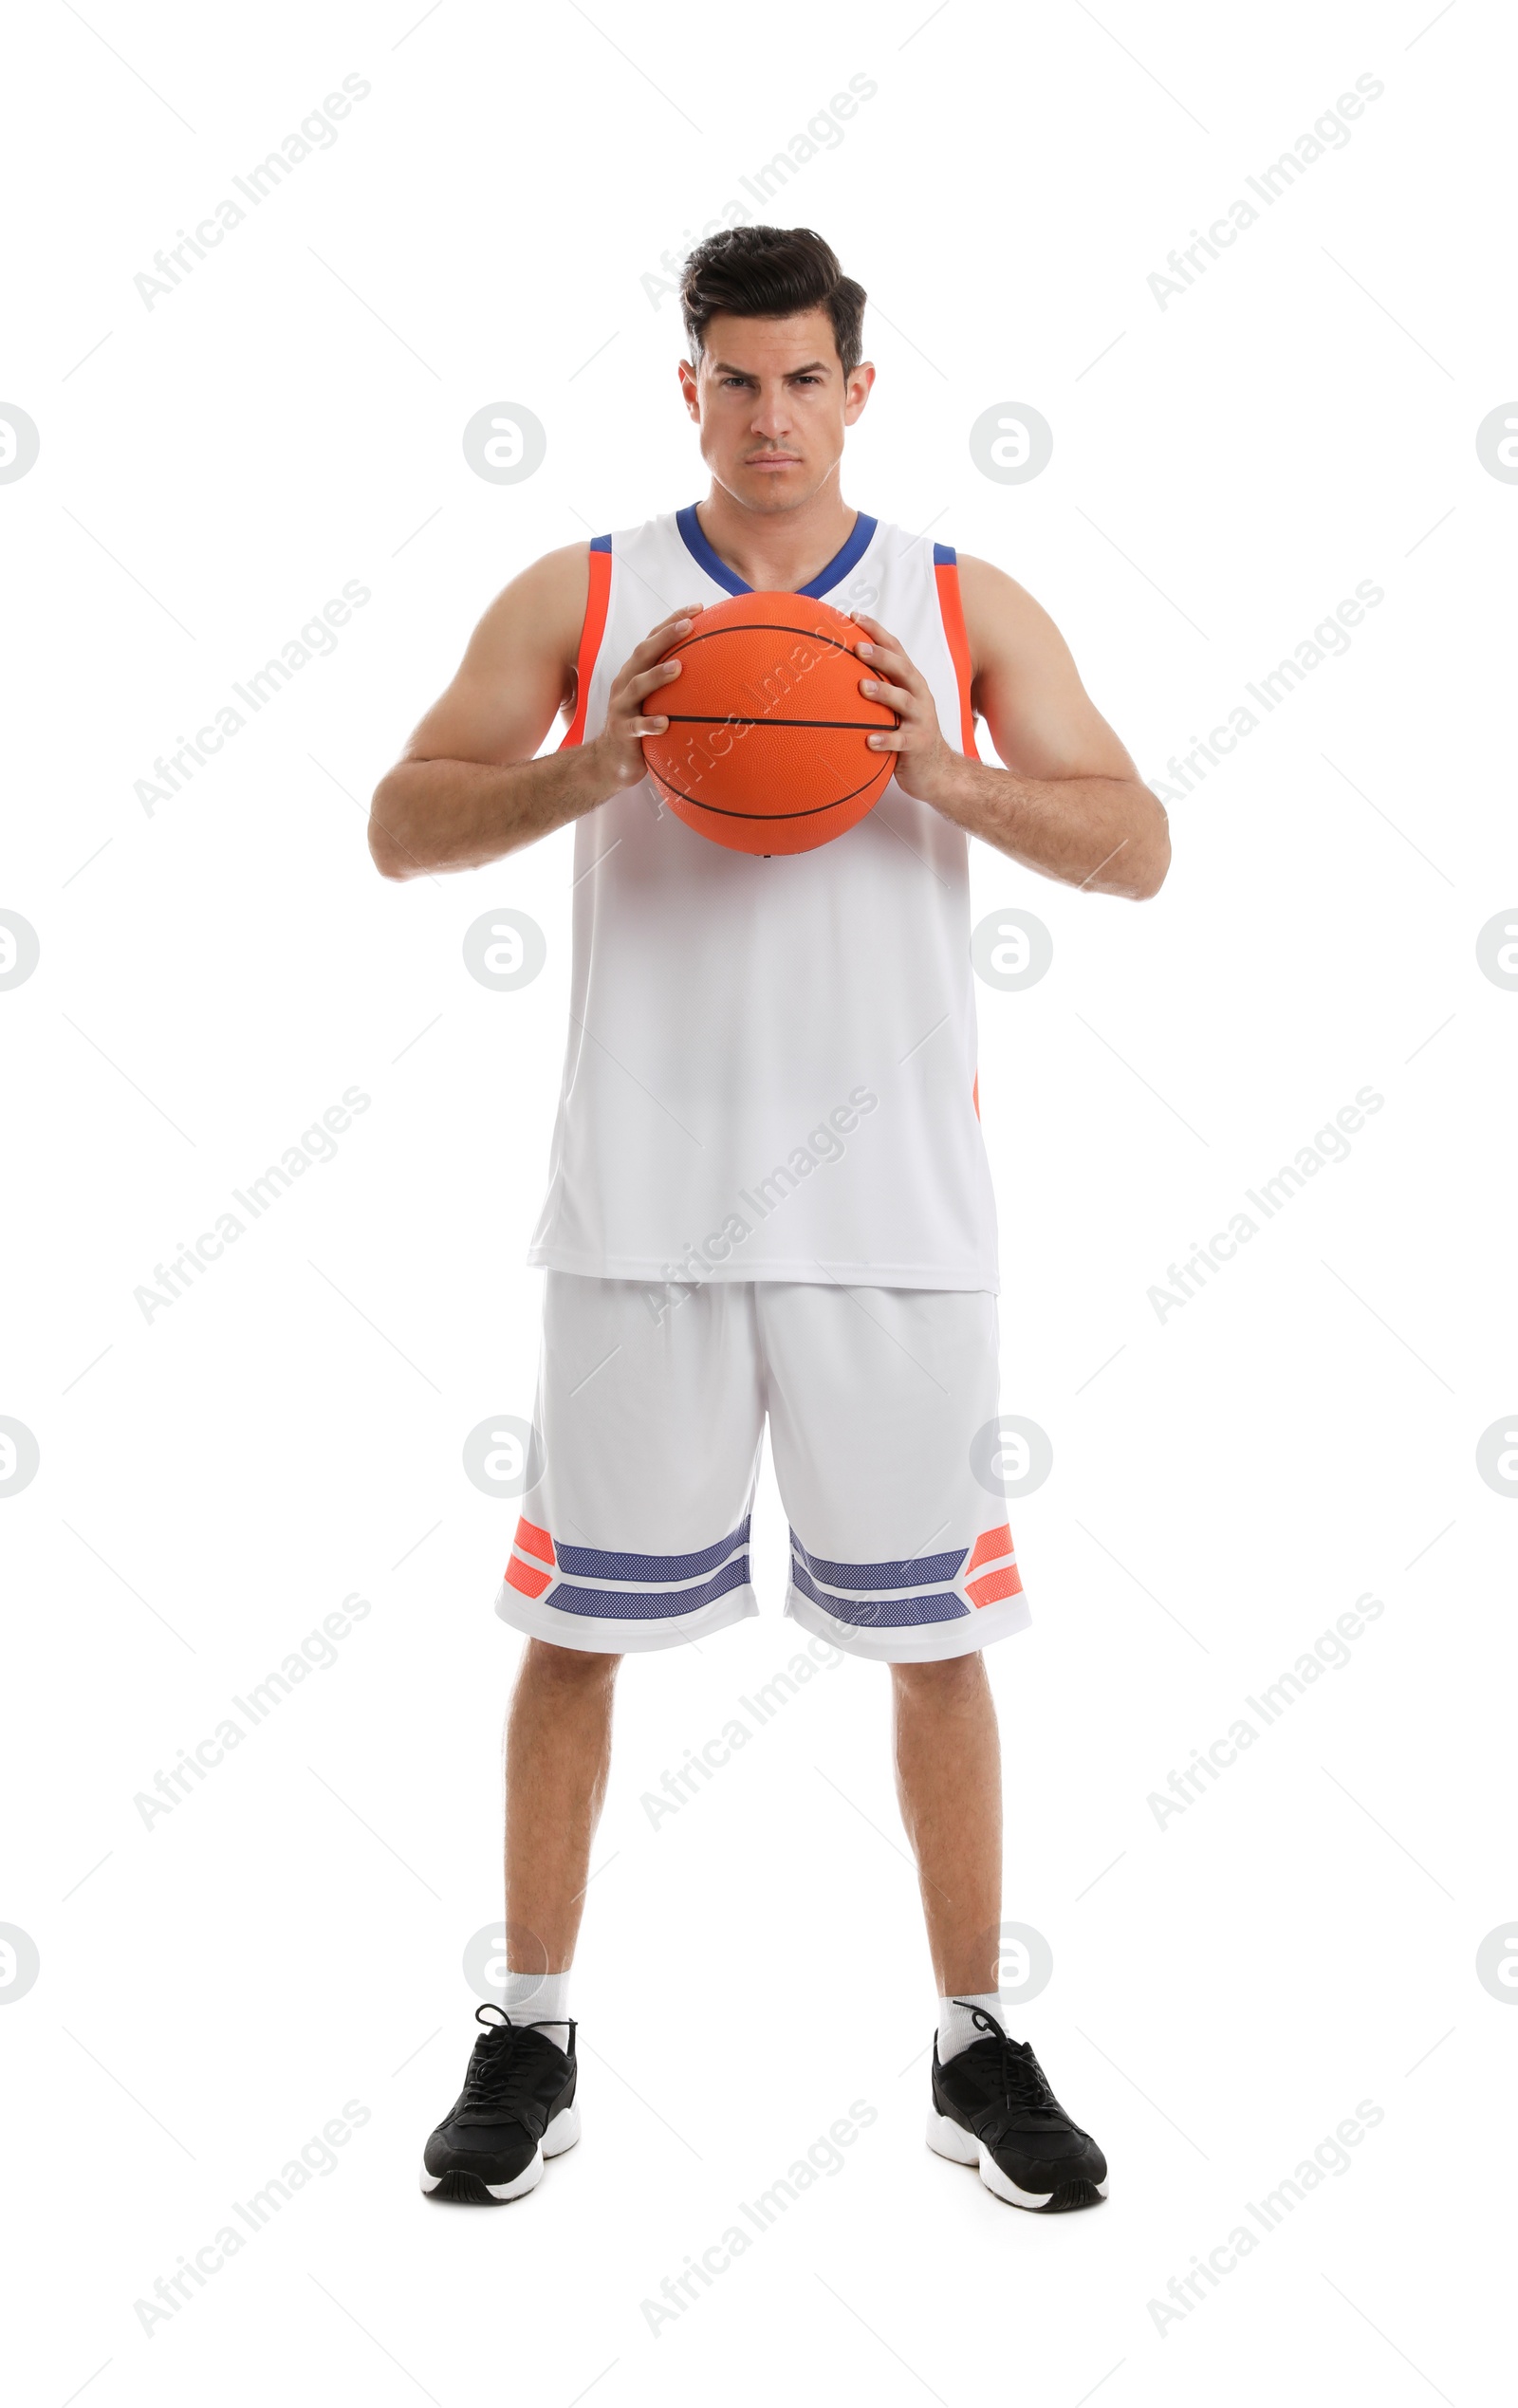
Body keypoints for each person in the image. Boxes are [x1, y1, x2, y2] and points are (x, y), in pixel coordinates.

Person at [368, 224, 1169, 2213]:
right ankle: (530, 2025)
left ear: (858, 390)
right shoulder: (588, 593)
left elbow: (1136, 843)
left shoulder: (953, 606)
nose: (769, 414)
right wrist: (592, 762)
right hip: (638, 1210)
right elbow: (399, 818)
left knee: (935, 1640)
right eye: (733, 378)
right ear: (687, 390)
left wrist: (941, 777)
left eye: (802, 377)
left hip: (894, 1217)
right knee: (571, 1633)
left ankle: (975, 2042)